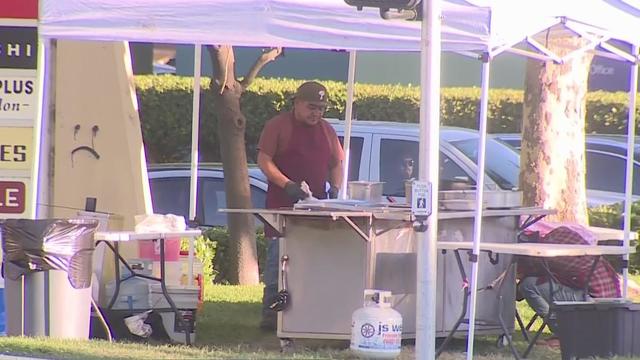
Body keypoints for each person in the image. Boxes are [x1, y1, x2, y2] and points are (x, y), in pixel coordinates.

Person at [256, 81, 344, 330]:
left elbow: (337, 163)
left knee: (311, 263)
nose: (316, 113)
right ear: (297, 103)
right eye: (311, 107)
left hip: (314, 209)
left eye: (321, 108)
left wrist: (334, 190)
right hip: (282, 207)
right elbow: (264, 160)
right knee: (277, 264)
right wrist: (287, 185)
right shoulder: (278, 126)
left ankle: (307, 313)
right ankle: (271, 316)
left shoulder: (327, 130)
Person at [517, 225, 621, 348]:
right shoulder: (564, 233)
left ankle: (565, 335)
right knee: (542, 283)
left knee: (528, 285)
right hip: (612, 299)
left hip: (593, 300)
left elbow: (532, 274)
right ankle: (570, 332)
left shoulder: (545, 254)